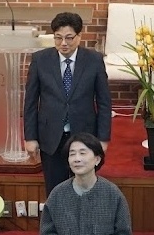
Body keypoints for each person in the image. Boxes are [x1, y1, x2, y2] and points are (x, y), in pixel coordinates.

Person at [24, 12, 112, 195]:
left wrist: (103, 139)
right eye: (58, 38)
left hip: (84, 134)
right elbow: (31, 102)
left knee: (84, 190)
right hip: (51, 136)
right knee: (55, 191)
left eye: (69, 38)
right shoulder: (40, 60)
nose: (63, 43)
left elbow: (104, 102)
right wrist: (30, 137)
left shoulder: (94, 60)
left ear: (79, 36)